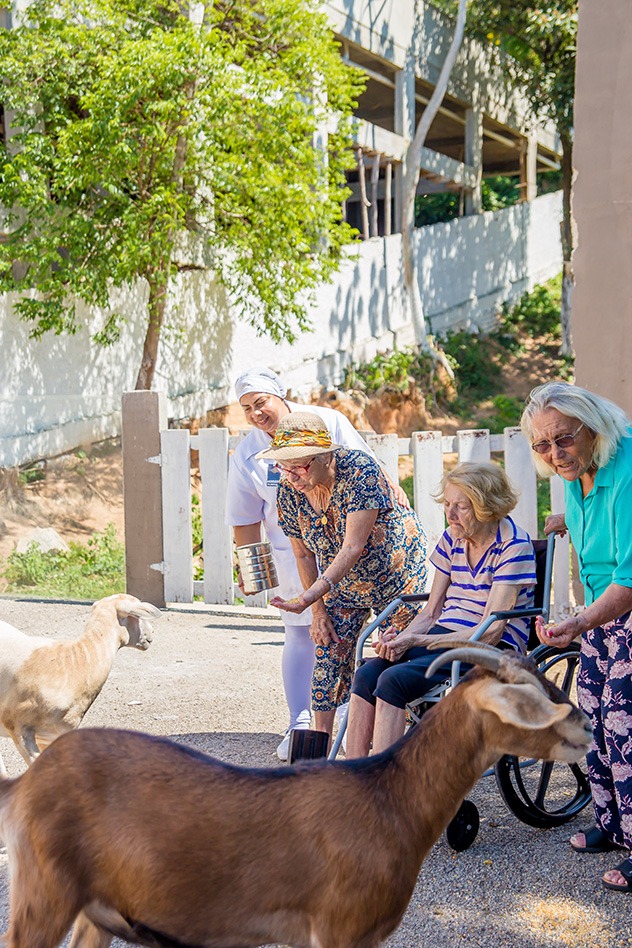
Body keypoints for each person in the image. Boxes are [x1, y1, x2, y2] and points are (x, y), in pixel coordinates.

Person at [225, 367, 409, 760]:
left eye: (261, 402)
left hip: (381, 564)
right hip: (317, 565)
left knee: (395, 651)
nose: (256, 413)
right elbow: (261, 530)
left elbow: (354, 540)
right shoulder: (273, 474)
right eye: (246, 408)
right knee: (316, 641)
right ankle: (309, 743)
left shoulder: (336, 439)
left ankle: (384, 736)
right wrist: (311, 605)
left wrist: (312, 596)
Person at [345, 461, 537, 759]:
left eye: (461, 506)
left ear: (487, 505)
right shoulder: (453, 538)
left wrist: (418, 641)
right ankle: (352, 778)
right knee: (368, 673)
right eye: (447, 504)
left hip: (488, 648)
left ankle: (385, 788)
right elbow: (431, 613)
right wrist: (400, 640)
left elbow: (492, 628)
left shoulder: (513, 546)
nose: (450, 514)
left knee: (393, 681)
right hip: (442, 638)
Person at [522, 381, 632, 894]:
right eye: (542, 445)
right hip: (599, 608)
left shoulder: (627, 467)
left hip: (622, 604)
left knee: (624, 723)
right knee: (589, 713)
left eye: (563, 439)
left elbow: (629, 579)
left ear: (592, 428)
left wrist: (580, 622)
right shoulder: (576, 471)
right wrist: (569, 516)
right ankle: (613, 825)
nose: (554, 454)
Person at [259, 411, 427, 745]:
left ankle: (401, 746)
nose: (291, 476)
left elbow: (352, 548)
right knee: (327, 654)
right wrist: (317, 612)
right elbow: (304, 554)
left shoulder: (359, 471)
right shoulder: (290, 490)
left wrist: (309, 597)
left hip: (394, 575)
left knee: (392, 656)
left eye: (299, 466)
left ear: (325, 457)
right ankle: (320, 754)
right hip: (341, 582)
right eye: (283, 467)